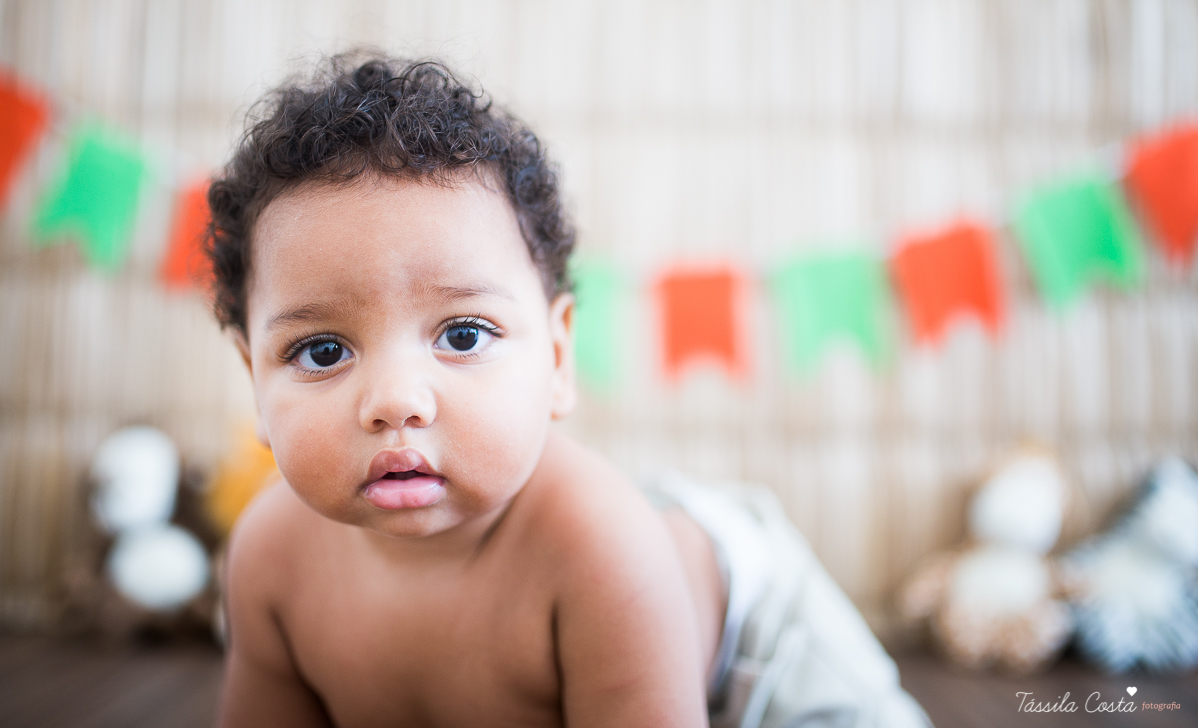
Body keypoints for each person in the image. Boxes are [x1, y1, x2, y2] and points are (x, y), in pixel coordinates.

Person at [209, 54, 930, 728]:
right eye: (323, 351)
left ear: (557, 357)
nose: (396, 401)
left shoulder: (603, 554)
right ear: (253, 381)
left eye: (463, 335)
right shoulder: (270, 560)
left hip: (760, 647)